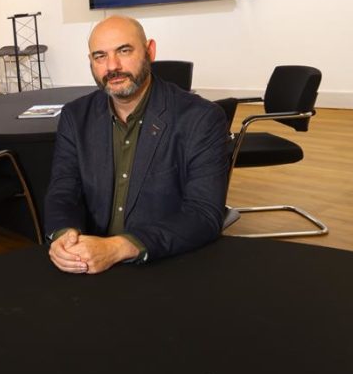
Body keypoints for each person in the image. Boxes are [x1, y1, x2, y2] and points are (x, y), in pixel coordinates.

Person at [44, 15, 228, 274]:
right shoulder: (76, 116)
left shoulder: (200, 118)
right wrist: (65, 237)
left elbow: (203, 214)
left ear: (149, 51)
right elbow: (63, 191)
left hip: (166, 264)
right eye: (100, 56)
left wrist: (119, 248)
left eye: (124, 50)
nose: (112, 66)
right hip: (90, 263)